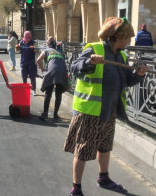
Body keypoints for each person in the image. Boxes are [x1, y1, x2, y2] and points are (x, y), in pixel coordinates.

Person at [63, 17, 148, 196]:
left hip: (109, 111)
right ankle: (76, 188)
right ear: (118, 36)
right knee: (83, 149)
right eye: (128, 37)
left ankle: (104, 177)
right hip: (89, 111)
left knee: (105, 146)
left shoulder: (122, 55)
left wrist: (138, 75)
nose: (130, 40)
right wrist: (90, 62)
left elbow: (126, 81)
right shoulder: (94, 49)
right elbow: (75, 67)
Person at [36, 36, 69, 121]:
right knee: (58, 94)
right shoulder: (60, 52)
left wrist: (43, 70)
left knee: (48, 92)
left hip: (51, 71)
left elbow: (38, 60)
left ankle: (45, 113)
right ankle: (55, 114)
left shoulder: (46, 50)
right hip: (62, 72)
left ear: (48, 44)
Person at [15, 30, 39, 96]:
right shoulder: (21, 42)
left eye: (29, 38)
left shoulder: (34, 42)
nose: (27, 39)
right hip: (23, 62)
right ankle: (25, 89)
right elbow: (16, 51)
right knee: (24, 76)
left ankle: (33, 90)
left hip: (31, 62)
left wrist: (34, 48)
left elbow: (37, 51)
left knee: (32, 77)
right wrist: (17, 47)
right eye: (26, 38)